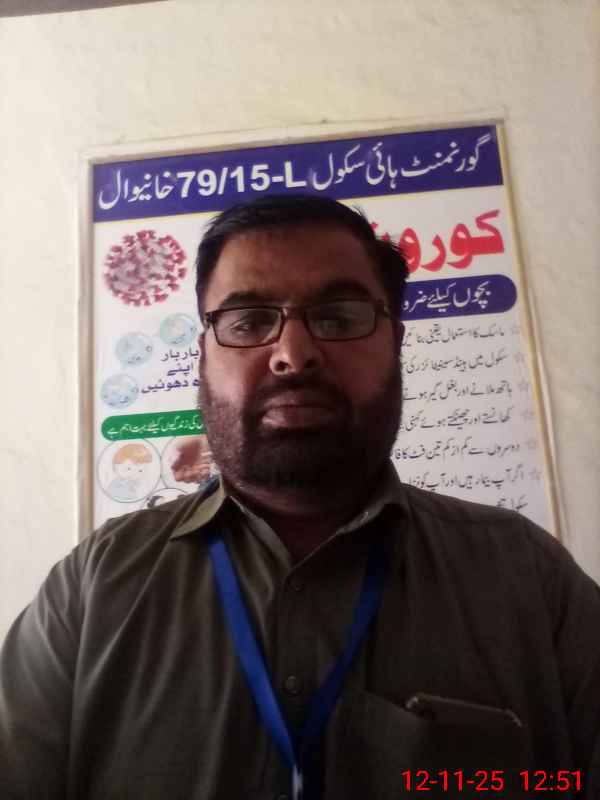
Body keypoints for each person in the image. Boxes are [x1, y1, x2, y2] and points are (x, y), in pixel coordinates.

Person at [1, 195, 599, 800]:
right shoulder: (93, 588)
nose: (293, 354)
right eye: (248, 322)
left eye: (338, 317)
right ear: (202, 356)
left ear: (395, 342)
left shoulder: (529, 577)